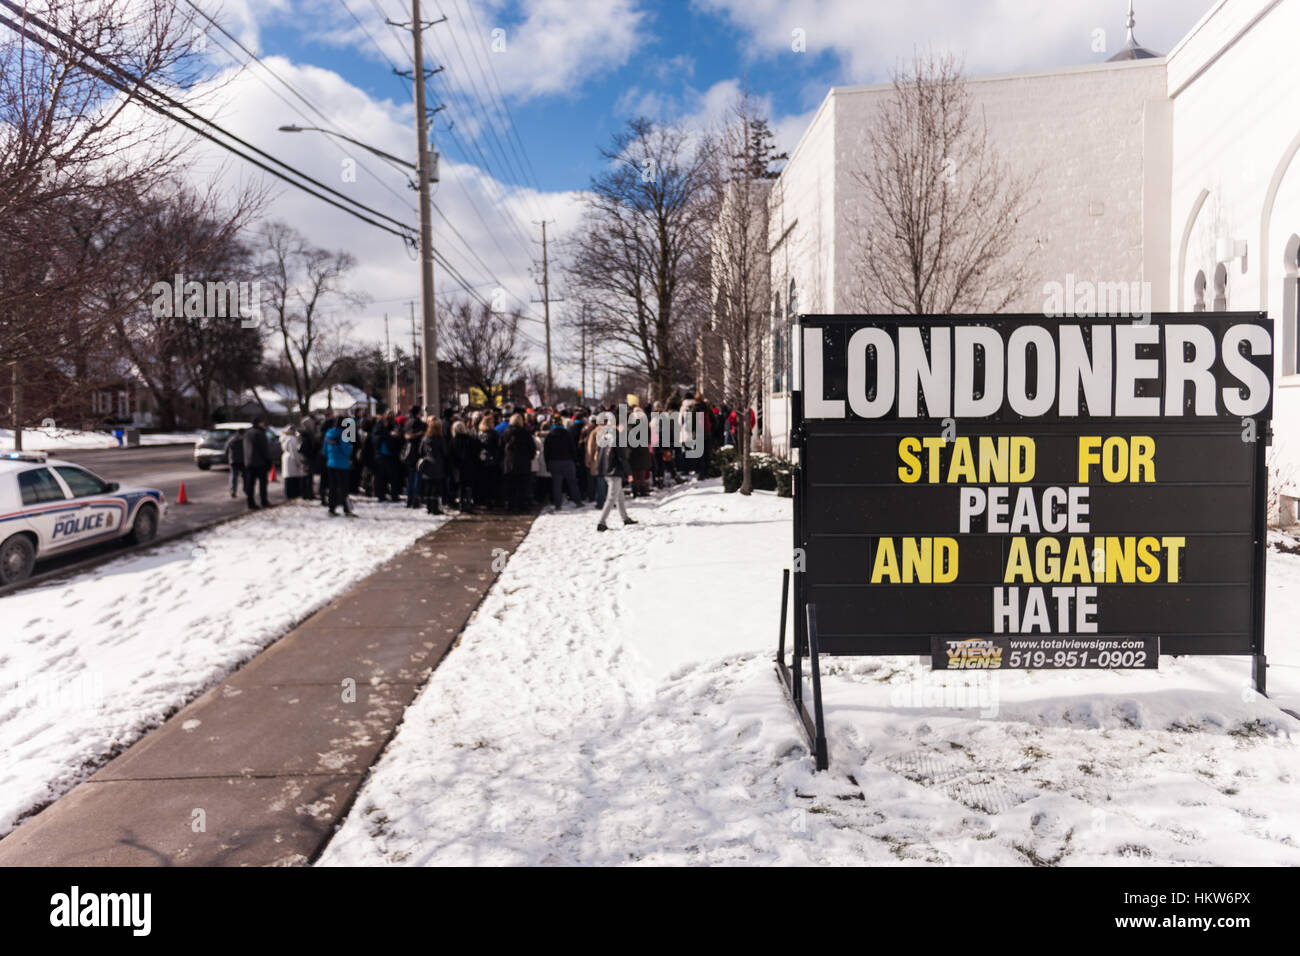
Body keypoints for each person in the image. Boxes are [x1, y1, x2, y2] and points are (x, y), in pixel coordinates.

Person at [596, 410, 637, 532]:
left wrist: (601, 469)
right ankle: (601, 522)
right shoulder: (617, 436)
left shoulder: (605, 434)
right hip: (614, 470)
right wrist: (629, 473)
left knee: (619, 496)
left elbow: (600, 453)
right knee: (611, 498)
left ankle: (625, 518)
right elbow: (622, 457)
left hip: (607, 470)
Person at [544, 415, 581, 511]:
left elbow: (546, 451)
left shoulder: (550, 435)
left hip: (554, 462)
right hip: (568, 461)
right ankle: (577, 501)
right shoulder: (567, 434)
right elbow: (572, 448)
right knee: (572, 482)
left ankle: (558, 504)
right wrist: (575, 460)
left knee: (557, 484)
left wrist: (547, 463)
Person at [502, 413, 535, 513]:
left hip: (509, 463)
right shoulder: (526, 433)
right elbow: (531, 448)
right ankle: (522, 505)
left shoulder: (506, 433)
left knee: (510, 486)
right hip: (523, 463)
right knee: (522, 486)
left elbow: (500, 447)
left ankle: (510, 505)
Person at [323, 417, 356, 517]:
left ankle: (331, 509)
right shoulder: (344, 434)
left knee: (332, 488)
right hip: (342, 465)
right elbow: (347, 451)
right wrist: (351, 449)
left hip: (330, 464)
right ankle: (347, 510)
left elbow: (324, 451)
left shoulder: (328, 434)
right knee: (343, 488)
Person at [242, 417, 273, 509]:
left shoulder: (247, 433)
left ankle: (250, 502)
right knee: (262, 484)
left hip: (249, 462)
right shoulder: (260, 433)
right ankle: (264, 501)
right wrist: (268, 460)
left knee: (250, 484)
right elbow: (264, 449)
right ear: (259, 423)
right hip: (260, 463)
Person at [417, 419, 447, 515]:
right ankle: (435, 508)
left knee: (428, 487)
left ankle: (429, 507)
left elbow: (420, 451)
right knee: (436, 488)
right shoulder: (440, 439)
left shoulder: (425, 439)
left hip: (427, 465)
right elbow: (445, 452)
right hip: (438, 465)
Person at [450, 420, 477, 512]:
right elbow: (475, 452)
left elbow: (451, 454)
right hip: (469, 465)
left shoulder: (453, 440)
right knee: (468, 485)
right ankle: (468, 503)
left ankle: (461, 503)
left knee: (460, 485)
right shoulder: (469, 439)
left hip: (458, 466)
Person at [475, 415, 502, 509]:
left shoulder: (479, 433)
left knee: (484, 482)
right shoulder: (493, 434)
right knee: (492, 482)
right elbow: (499, 446)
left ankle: (484, 500)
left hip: (481, 460)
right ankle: (492, 500)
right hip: (492, 460)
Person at [402, 418, 425, 508]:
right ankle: (415, 500)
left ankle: (409, 499)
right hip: (417, 460)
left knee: (410, 480)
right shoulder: (420, 437)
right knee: (416, 480)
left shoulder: (408, 437)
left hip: (409, 460)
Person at [280, 423, 306, 499]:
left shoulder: (284, 437)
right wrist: (298, 462)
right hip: (291, 460)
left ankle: (289, 494)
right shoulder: (291, 439)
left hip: (286, 458)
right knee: (292, 479)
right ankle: (292, 495)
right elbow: (294, 451)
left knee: (288, 478)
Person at [224, 426, 246, 499]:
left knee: (233, 477)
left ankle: (233, 491)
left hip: (233, 461)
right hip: (242, 461)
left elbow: (226, 449)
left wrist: (229, 458)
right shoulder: (244, 439)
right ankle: (246, 490)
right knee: (245, 477)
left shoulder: (231, 439)